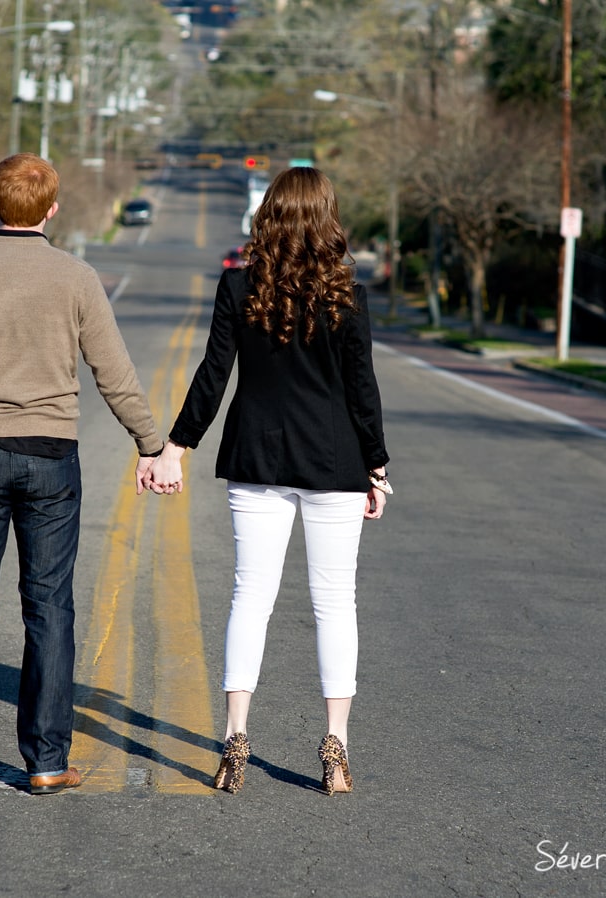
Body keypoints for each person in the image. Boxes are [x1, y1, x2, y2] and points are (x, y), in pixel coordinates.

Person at [0, 153, 163, 795]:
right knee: (48, 605)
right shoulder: (75, 278)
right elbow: (114, 372)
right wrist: (152, 443)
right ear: (51, 209)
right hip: (51, 456)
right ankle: (47, 761)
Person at [146, 166, 391, 796]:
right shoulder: (348, 295)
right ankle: (335, 748)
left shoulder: (238, 287)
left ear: (270, 215)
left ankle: (235, 739)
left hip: (256, 458)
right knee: (334, 601)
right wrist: (377, 465)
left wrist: (176, 448)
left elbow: (213, 376)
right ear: (327, 218)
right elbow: (363, 391)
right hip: (334, 464)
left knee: (249, 595)